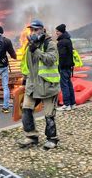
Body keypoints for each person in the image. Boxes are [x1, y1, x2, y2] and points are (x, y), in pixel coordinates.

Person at [18, 19, 60, 149]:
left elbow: (50, 60)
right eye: (32, 30)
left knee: (49, 115)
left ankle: (52, 139)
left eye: (36, 29)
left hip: (48, 85)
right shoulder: (29, 45)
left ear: (42, 29)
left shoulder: (50, 43)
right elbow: (26, 65)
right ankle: (31, 136)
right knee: (26, 110)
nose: (33, 32)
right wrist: (25, 79)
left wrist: (36, 50)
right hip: (33, 84)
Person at [55, 24, 76, 111]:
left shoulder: (61, 42)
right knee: (69, 85)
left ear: (61, 32)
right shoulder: (68, 40)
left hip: (63, 66)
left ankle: (66, 104)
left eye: (57, 31)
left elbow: (62, 55)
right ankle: (72, 103)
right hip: (69, 65)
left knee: (64, 85)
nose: (56, 33)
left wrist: (60, 66)